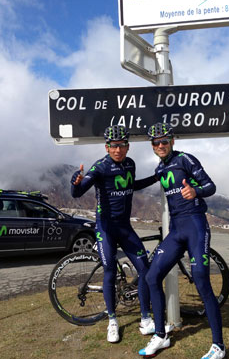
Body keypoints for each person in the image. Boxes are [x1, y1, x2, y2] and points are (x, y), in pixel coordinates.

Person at [139, 122, 225, 359]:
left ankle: (218, 345)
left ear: (172, 141)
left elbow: (210, 186)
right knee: (151, 276)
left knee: (201, 281)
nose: (160, 146)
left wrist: (195, 191)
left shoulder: (186, 159)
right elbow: (144, 182)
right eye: (155, 143)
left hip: (196, 225)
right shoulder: (161, 167)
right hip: (176, 230)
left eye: (164, 141)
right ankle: (160, 335)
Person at [70, 125, 158, 343]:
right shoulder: (100, 167)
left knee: (145, 269)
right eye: (113, 146)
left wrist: (156, 178)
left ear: (127, 147)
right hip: (106, 228)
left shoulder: (130, 164)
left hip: (125, 227)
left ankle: (146, 319)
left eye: (122, 146)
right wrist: (75, 182)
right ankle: (112, 321)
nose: (118, 150)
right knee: (109, 270)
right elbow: (78, 193)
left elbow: (132, 185)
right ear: (107, 147)